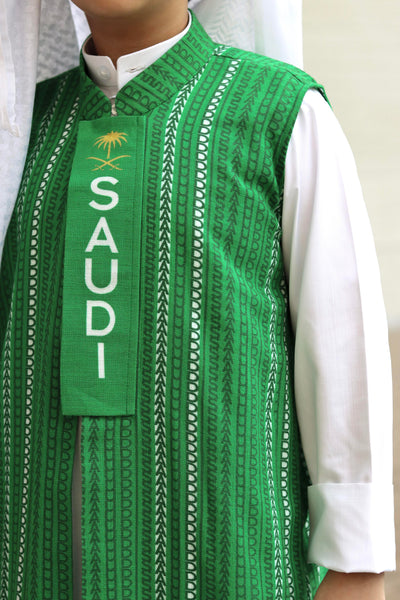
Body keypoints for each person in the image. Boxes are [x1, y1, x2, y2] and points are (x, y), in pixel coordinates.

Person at [0, 1, 395, 598]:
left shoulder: (280, 112)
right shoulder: (22, 129)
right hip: (36, 565)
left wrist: (355, 567)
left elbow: (341, 344)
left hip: (228, 560)